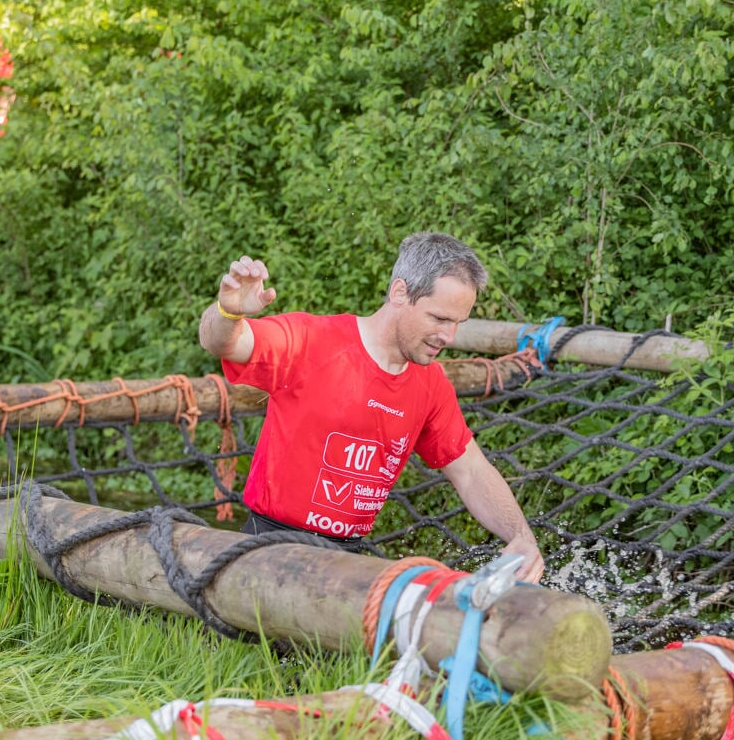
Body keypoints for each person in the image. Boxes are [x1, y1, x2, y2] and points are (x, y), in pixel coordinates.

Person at [199, 233, 545, 583]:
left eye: (458, 323)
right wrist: (228, 311)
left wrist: (521, 536)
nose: (449, 336)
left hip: (349, 560)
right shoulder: (312, 340)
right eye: (440, 319)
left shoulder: (431, 384)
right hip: (267, 548)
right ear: (400, 293)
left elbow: (471, 470)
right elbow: (222, 342)